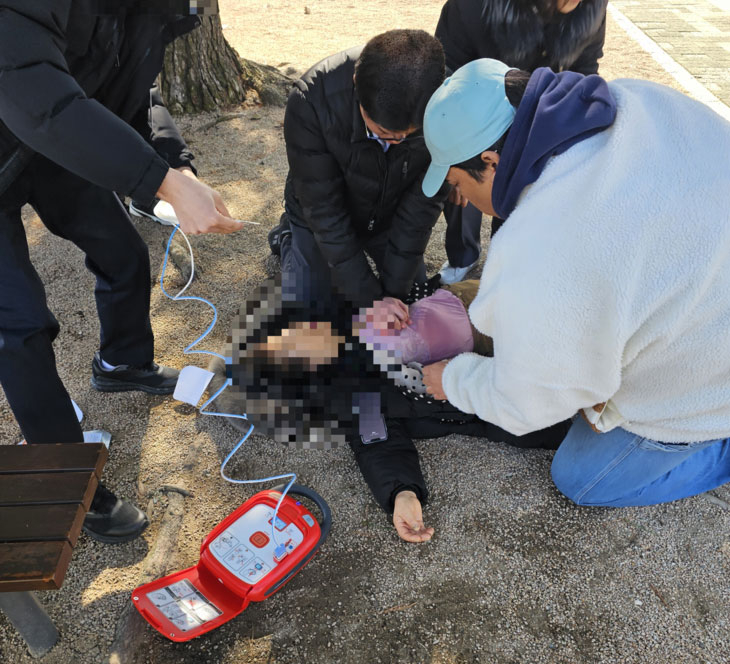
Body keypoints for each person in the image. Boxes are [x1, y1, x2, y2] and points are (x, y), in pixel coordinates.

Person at [419, 58, 730, 509]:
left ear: (490, 159)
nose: (461, 199)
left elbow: (525, 403)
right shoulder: (633, 97)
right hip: (708, 295)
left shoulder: (545, 247)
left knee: (582, 479)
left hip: (711, 374)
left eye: (458, 182)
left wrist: (454, 378)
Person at [0, 1, 242, 543]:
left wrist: (175, 163)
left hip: (49, 143)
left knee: (122, 251)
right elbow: (39, 98)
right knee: (18, 325)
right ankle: (68, 481)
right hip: (37, 118)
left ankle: (122, 362)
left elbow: (132, 89)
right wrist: (166, 185)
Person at [215, 277, 569, 542]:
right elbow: (379, 443)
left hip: (502, 329)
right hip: (517, 399)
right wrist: (403, 492)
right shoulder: (358, 400)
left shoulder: (364, 321)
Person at [270, 29, 450, 308]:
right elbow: (325, 212)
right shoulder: (311, 101)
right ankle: (286, 236)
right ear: (355, 84)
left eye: (407, 135)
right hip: (322, 214)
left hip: (389, 214)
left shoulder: (444, 105)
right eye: (383, 132)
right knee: (314, 307)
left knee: (412, 300)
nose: (395, 141)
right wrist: (371, 300)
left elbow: (420, 210)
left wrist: (392, 295)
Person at [434, 0, 608, 283]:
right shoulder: (473, 8)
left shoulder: (592, 7)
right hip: (473, 115)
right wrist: (459, 157)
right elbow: (448, 70)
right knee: (461, 186)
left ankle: (506, 262)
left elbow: (586, 68)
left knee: (521, 198)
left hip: (538, 126)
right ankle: (462, 257)